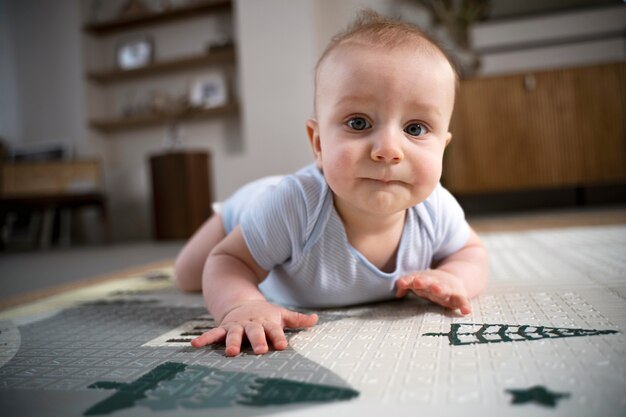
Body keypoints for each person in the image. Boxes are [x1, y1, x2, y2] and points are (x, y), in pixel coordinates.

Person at [174, 10, 488, 357]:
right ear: (319, 143)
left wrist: (455, 277)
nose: (387, 150)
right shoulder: (292, 206)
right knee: (188, 276)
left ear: (443, 146)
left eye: (415, 128)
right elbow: (229, 261)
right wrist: (241, 304)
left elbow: (471, 252)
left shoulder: (435, 208)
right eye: (358, 123)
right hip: (248, 211)